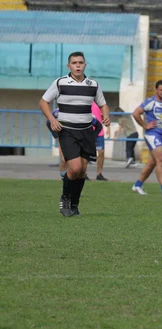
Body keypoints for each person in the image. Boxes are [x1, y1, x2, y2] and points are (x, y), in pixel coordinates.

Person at [39, 51, 110, 217]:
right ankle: (65, 198)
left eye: (81, 62)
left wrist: (106, 115)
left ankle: (75, 205)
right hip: (67, 131)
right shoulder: (60, 82)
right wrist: (52, 119)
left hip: (86, 131)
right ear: (68, 66)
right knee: (75, 168)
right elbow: (43, 102)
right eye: (74, 63)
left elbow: (103, 104)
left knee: (83, 171)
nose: (78, 65)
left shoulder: (93, 84)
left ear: (85, 65)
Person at [131, 80, 162, 195]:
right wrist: (145, 125)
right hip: (152, 134)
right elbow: (136, 113)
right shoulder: (150, 102)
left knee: (152, 163)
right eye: (161, 90)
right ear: (156, 90)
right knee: (161, 160)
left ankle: (137, 185)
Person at [91, 101, 108, 181]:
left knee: (101, 152)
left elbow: (104, 116)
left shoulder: (99, 103)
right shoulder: (85, 101)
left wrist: (108, 127)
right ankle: (83, 174)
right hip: (88, 132)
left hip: (99, 132)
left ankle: (99, 174)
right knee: (85, 154)